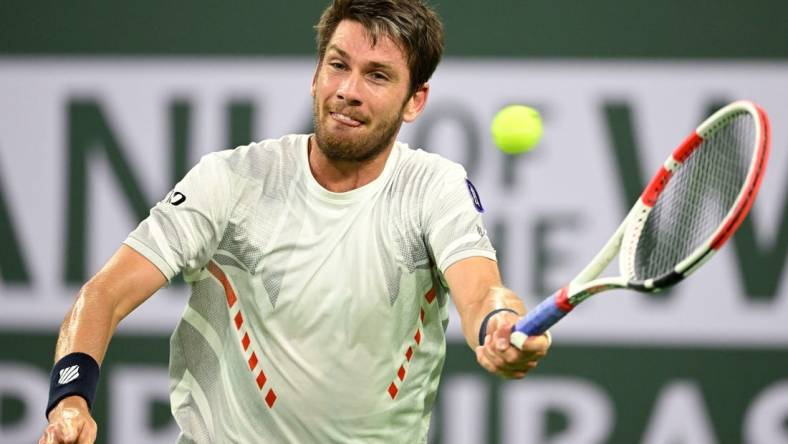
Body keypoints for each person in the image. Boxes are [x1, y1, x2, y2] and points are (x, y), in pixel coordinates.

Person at [39, 0, 551, 442]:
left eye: (377, 75)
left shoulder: (432, 187)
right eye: (337, 65)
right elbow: (103, 295)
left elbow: (482, 291)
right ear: (315, 75)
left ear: (415, 100)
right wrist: (70, 397)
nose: (348, 90)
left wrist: (498, 323)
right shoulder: (231, 179)